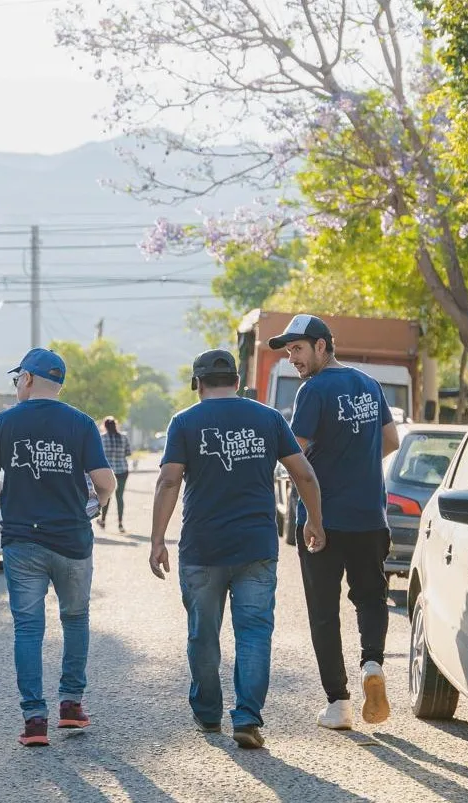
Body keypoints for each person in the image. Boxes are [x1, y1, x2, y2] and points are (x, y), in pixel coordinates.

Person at [149, 349, 325, 749]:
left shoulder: (185, 422)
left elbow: (168, 482)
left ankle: (209, 713)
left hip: (202, 549)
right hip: (256, 548)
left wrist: (157, 539)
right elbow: (305, 475)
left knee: (203, 635)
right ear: (238, 381)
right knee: (254, 634)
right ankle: (247, 718)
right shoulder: (268, 418)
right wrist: (314, 521)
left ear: (198, 384)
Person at [0, 348, 116, 747]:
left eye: (17, 378)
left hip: (22, 541)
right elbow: (105, 483)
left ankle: (34, 720)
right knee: (75, 619)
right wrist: (96, 505)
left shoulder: (3, 422)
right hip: (72, 539)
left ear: (28, 379)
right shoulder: (81, 423)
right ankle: (71, 707)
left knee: (28, 628)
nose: (16, 384)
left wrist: (8, 491)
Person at [268, 314, 400, 730]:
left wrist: (319, 502)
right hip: (369, 517)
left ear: (322, 346)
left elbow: (295, 456)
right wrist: (354, 467)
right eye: (289, 351)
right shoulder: (368, 384)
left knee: (324, 611)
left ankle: (339, 703)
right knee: (371, 597)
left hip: (322, 520)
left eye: (299, 349)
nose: (293, 358)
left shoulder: (313, 391)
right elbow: (391, 441)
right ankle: (372, 663)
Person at [99, 416, 131, 532]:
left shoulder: (101, 438)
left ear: (105, 426)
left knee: (107, 496)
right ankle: (120, 524)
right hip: (122, 470)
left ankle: (103, 520)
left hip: (108, 472)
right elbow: (128, 453)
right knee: (120, 497)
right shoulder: (124, 437)